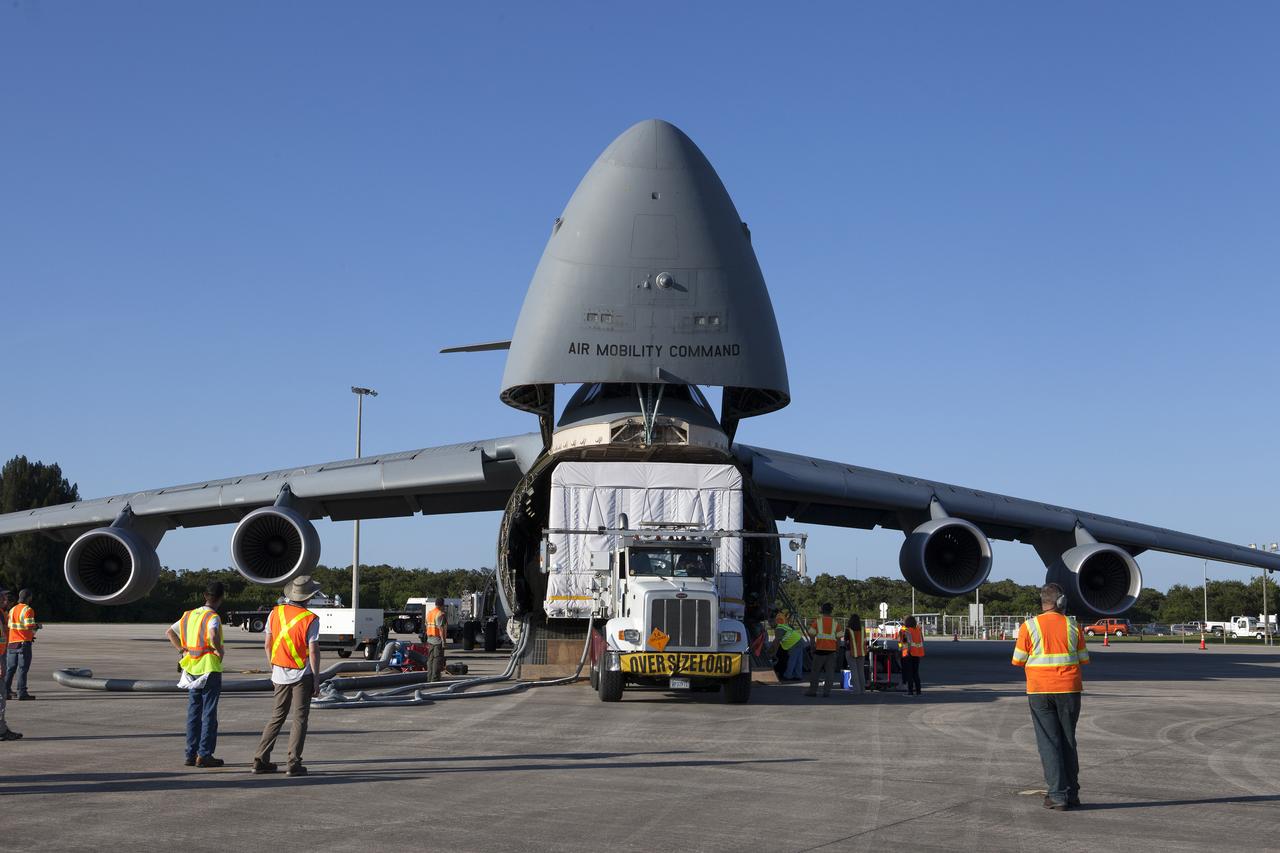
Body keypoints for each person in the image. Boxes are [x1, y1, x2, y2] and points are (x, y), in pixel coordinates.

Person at [1012, 583, 1090, 811]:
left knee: (1049, 742)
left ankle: (1057, 795)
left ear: (1043, 601)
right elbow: (1083, 658)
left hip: (1039, 691)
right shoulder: (1073, 626)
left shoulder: (1029, 626)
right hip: (1069, 690)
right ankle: (1072, 793)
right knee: (1068, 741)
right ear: (1061, 602)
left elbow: (1018, 660)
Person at [254, 575, 322, 777]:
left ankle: (260, 759)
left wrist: (273, 665)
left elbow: (268, 644)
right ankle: (293, 762)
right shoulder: (310, 619)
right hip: (302, 673)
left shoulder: (275, 613)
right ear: (308, 597)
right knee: (300, 718)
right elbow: (313, 651)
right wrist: (317, 678)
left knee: (277, 716)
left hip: (279, 673)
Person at [166, 582, 226, 768]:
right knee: (209, 713)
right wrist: (219, 650)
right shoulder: (212, 616)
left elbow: (170, 632)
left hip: (191, 669)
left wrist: (181, 650)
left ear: (204, 596)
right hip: (209, 668)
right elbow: (213, 632)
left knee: (194, 712)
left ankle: (190, 754)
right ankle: (205, 754)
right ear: (221, 598)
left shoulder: (189, 615)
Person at [5, 588, 40, 701]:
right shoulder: (28, 610)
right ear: (29, 598)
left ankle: (5, 692)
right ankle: (22, 692)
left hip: (11, 643)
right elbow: (29, 625)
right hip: (23, 643)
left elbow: (10, 625)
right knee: (22, 669)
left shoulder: (12, 609)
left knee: (10, 669)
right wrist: (37, 626)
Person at [806, 602, 843, 697]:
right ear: (831, 611)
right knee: (830, 673)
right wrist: (837, 650)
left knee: (815, 672)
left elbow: (811, 636)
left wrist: (812, 647)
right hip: (831, 651)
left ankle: (812, 691)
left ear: (822, 610)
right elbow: (839, 639)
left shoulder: (817, 621)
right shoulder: (835, 623)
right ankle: (827, 692)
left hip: (819, 651)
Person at [0, 590, 21, 741]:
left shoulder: (3, 613)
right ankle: (1, 731)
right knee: (1, 696)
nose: (4, 600)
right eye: (1, 598)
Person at [772, 612, 806, 681]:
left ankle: (787, 675)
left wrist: (773, 652)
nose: (770, 624)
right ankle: (798, 675)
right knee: (798, 660)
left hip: (794, 643)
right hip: (799, 640)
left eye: (771, 622)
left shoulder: (779, 628)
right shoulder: (783, 626)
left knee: (792, 660)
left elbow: (777, 641)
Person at [897, 616, 925, 695]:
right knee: (915, 673)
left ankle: (910, 691)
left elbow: (904, 642)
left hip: (908, 654)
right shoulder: (918, 630)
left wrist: (901, 651)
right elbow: (922, 640)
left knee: (909, 673)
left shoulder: (905, 630)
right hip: (917, 653)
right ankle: (918, 690)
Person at [424, 597, 447, 682]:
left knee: (430, 659)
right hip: (437, 640)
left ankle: (429, 677)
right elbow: (441, 629)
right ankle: (435, 679)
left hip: (430, 639)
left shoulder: (429, 613)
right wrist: (444, 641)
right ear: (442, 605)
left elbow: (426, 625)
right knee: (437, 659)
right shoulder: (440, 614)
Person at [843, 613, 866, 694]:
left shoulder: (848, 629)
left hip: (851, 652)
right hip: (861, 652)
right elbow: (864, 640)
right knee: (861, 671)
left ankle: (856, 690)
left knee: (854, 671)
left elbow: (846, 641)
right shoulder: (862, 629)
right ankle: (863, 689)